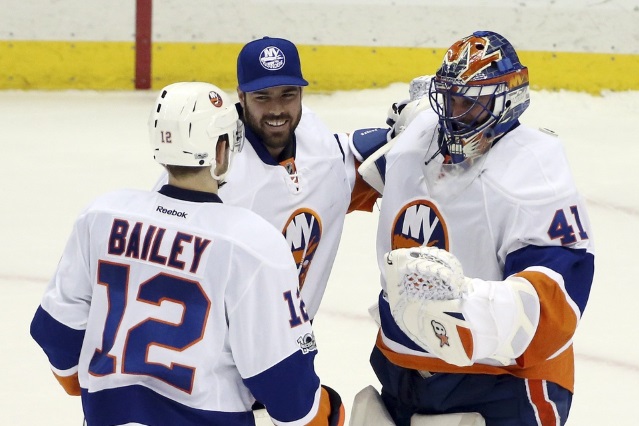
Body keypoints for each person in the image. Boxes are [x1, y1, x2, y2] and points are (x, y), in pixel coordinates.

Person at [30, 82, 344, 426]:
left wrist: (85, 382)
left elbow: (56, 330)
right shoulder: (251, 243)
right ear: (222, 150)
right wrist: (327, 412)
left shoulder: (102, 215)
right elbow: (288, 392)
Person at [350, 31, 595, 426]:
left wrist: (464, 305)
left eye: (470, 103)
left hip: (501, 386)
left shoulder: (534, 174)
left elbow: (558, 302)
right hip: (403, 373)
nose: (454, 114)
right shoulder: (419, 133)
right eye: (449, 99)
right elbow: (338, 179)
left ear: (507, 101)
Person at [154, 36, 380, 322]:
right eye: (262, 97)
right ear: (240, 95)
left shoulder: (317, 139)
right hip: (222, 352)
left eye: (288, 94)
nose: (276, 110)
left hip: (292, 345)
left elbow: (361, 160)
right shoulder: (209, 171)